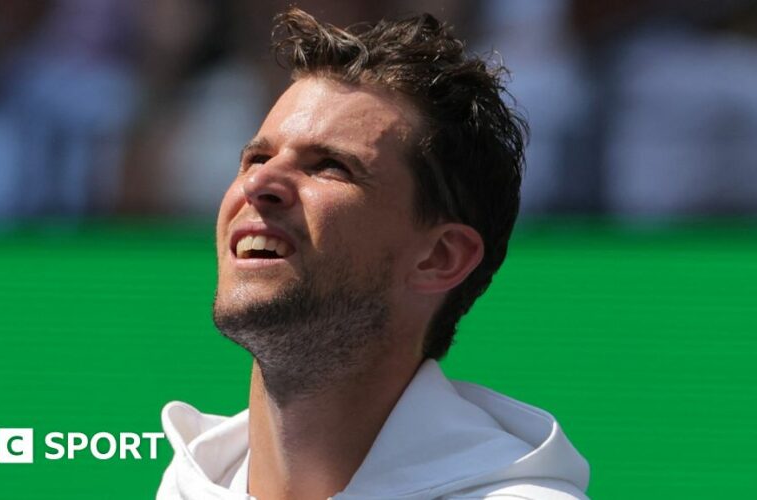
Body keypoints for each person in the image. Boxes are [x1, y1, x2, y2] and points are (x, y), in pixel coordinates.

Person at [157, 7, 589, 499]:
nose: (258, 183)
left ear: (440, 258)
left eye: (330, 166)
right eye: (257, 157)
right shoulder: (186, 484)